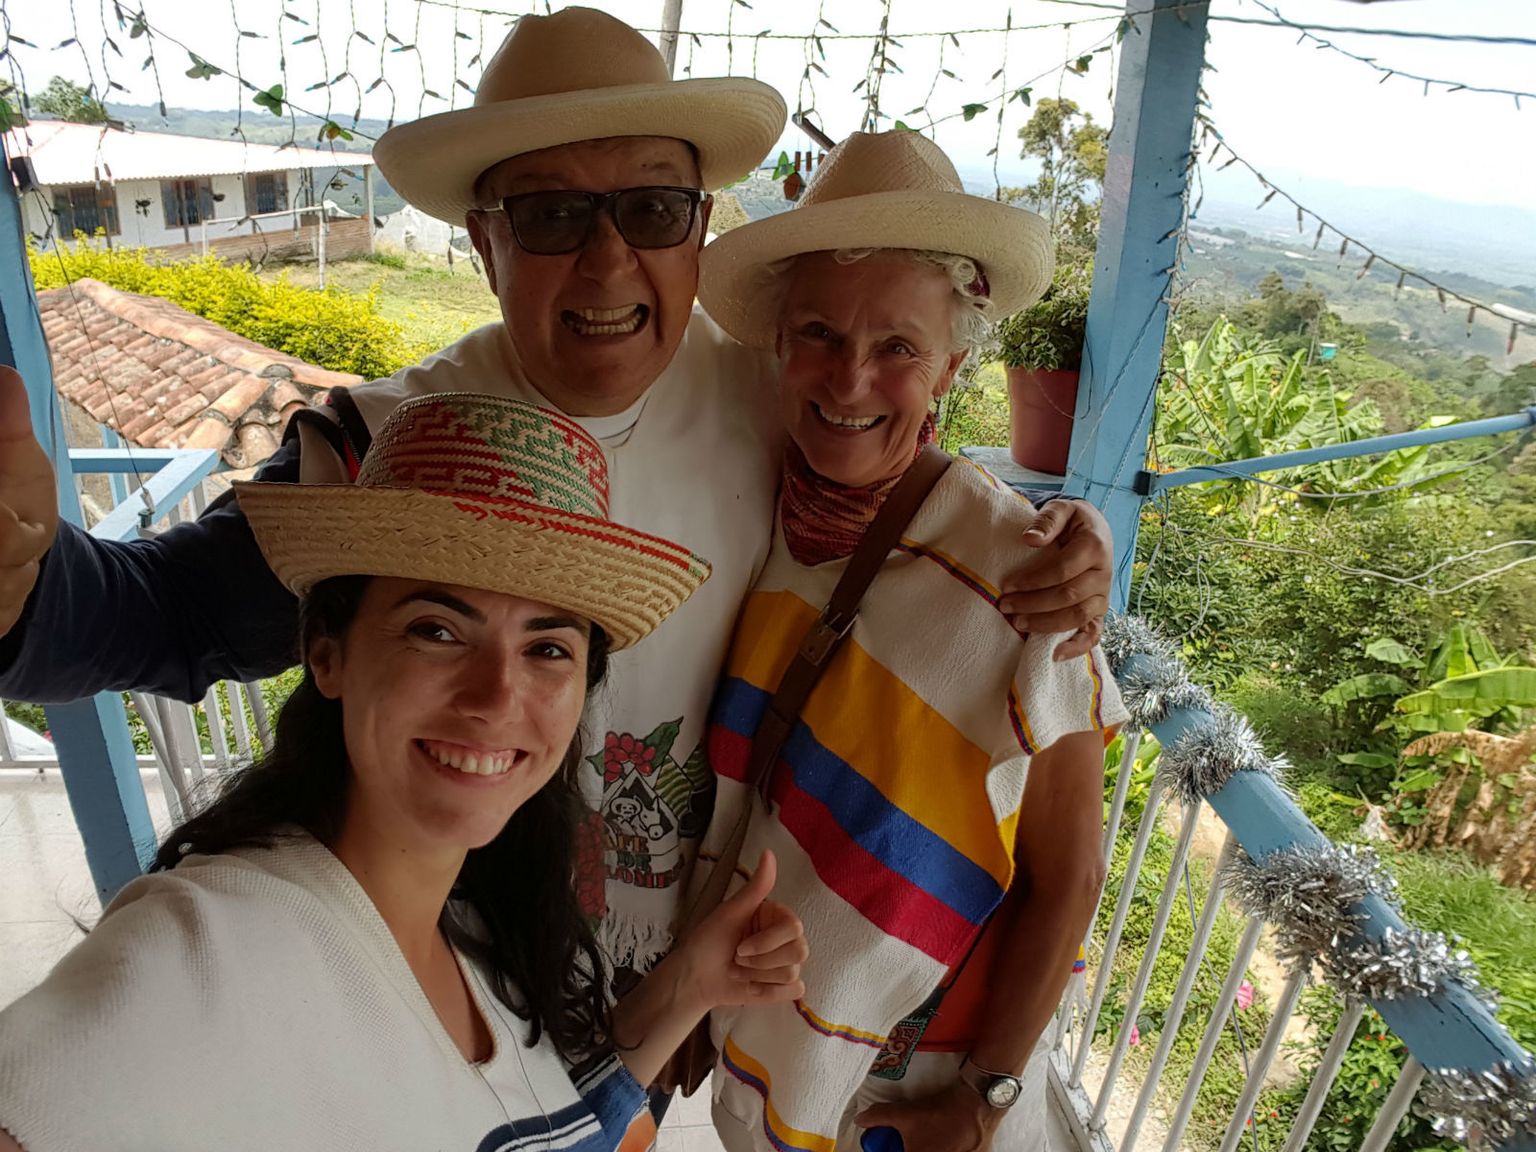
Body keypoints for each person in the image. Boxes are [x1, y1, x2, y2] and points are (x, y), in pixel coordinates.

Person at [0, 8, 1113, 976]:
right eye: (549, 215)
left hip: (681, 973)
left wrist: (1061, 537)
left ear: (701, 229)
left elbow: (903, 471)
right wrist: (19, 574)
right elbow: (171, 612)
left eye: (654, 209)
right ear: (484, 243)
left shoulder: (776, 394)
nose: (609, 260)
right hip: (466, 970)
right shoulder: (400, 446)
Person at [0, 393, 810, 1152]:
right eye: (437, 630)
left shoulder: (478, 923)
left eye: (546, 649)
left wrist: (693, 983)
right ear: (328, 656)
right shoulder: (213, 949)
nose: (496, 698)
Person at [691, 130, 1131, 1152]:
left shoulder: (1019, 572)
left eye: (898, 348)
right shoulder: (766, 514)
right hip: (769, 1048)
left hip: (923, 1083)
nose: (850, 380)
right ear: (777, 344)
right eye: (819, 333)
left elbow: (1069, 875)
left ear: (952, 369)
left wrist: (983, 1101)